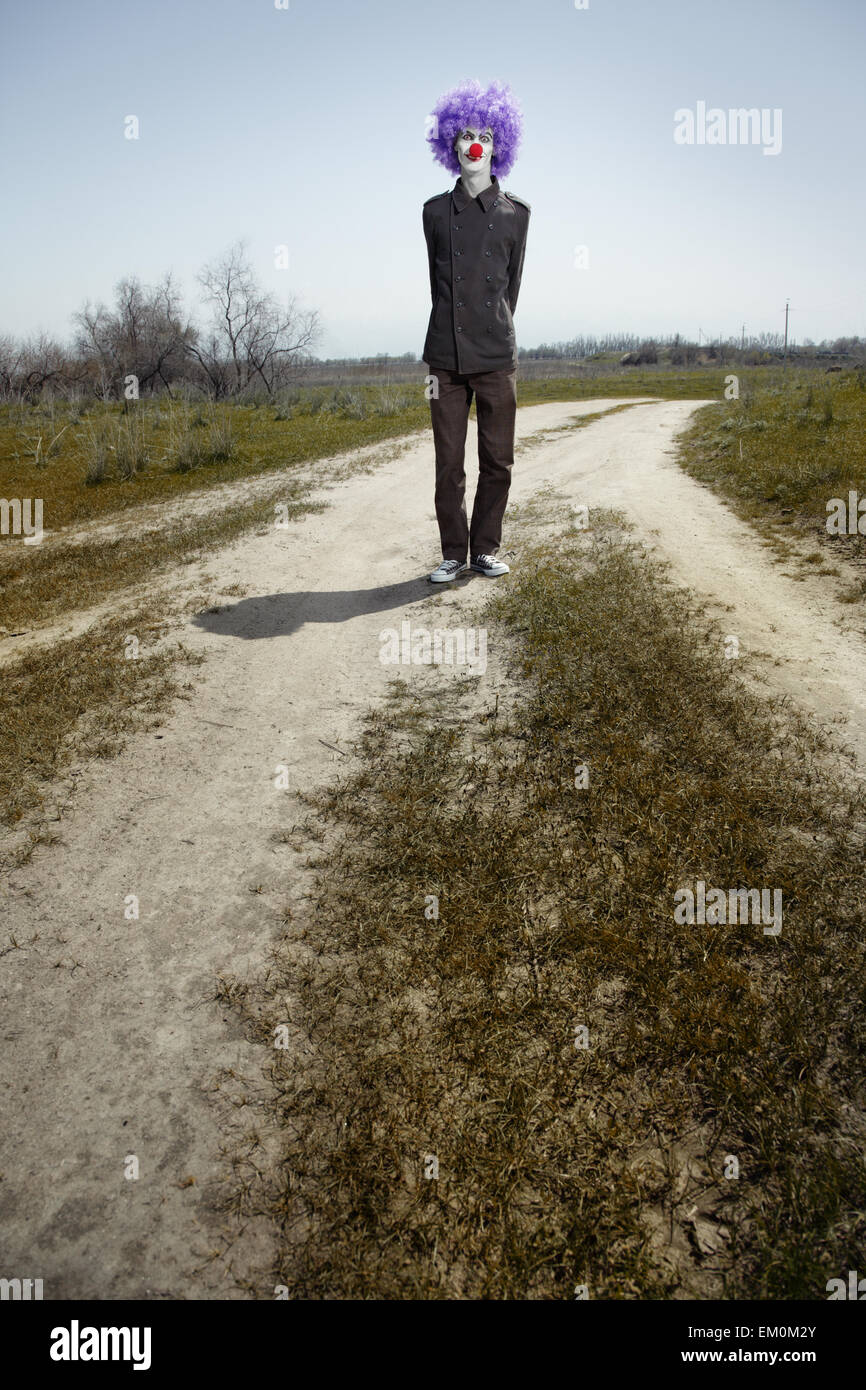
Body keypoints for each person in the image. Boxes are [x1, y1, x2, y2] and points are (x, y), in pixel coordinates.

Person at [422, 78, 530, 583]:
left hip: (497, 355)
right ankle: (452, 552)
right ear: (452, 144)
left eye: (484, 134)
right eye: (465, 134)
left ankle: (484, 549)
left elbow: (512, 287)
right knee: (449, 463)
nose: (474, 143)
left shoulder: (517, 215)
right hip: (444, 357)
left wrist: (492, 326)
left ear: (497, 146)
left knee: (498, 460)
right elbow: (436, 285)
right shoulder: (433, 212)